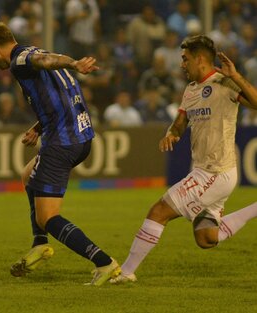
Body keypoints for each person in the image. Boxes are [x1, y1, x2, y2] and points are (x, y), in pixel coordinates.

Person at [0, 21, 121, 286]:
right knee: (28, 173)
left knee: (48, 217)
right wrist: (38, 127)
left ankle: (104, 262)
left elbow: (45, 60)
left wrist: (74, 63)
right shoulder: (31, 51)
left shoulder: (19, 61)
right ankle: (39, 244)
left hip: (63, 142)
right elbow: (60, 92)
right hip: (79, 135)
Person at [110, 35, 257, 284]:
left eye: (185, 59)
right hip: (208, 171)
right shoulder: (191, 90)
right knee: (207, 238)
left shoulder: (224, 83)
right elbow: (180, 122)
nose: (181, 64)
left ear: (200, 59)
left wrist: (236, 76)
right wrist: (172, 133)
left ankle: (125, 272)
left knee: (158, 211)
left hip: (214, 171)